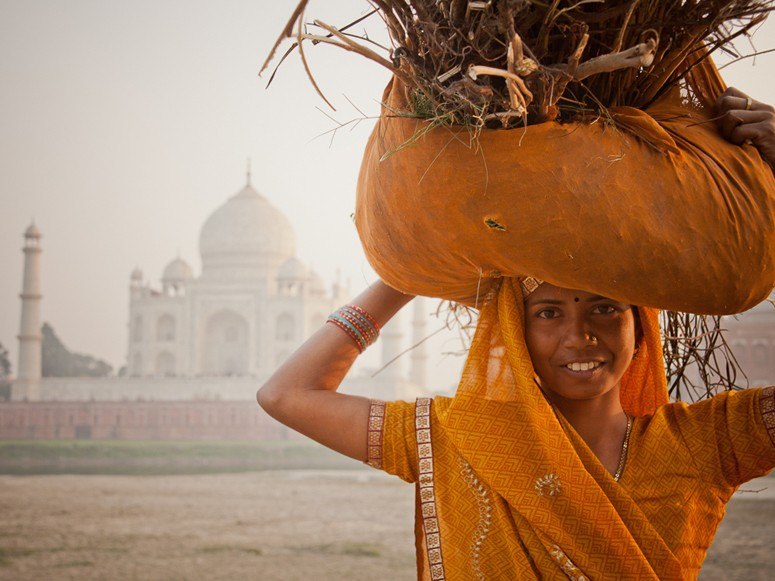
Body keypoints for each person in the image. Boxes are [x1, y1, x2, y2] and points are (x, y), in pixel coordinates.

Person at [258, 88, 775, 580]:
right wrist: (410, 265)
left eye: (603, 309)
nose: (580, 336)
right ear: (512, 330)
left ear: (640, 329)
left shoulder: (705, 441)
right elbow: (285, 395)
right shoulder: (457, 441)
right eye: (548, 313)